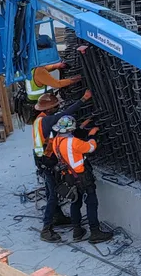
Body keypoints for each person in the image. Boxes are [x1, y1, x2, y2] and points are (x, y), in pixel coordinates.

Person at [33, 89, 92, 242]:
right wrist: (83, 99)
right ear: (48, 109)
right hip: (47, 162)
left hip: (42, 161)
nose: (57, 108)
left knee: (49, 191)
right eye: (55, 106)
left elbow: (57, 131)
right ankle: (46, 229)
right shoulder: (47, 120)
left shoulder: (39, 120)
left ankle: (57, 217)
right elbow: (63, 115)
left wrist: (79, 127)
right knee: (53, 195)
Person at [51, 116, 112, 243]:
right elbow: (90, 147)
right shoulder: (73, 142)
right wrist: (92, 135)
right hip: (81, 176)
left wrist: (82, 125)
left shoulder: (56, 140)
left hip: (68, 177)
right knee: (91, 202)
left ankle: (77, 231)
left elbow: (74, 137)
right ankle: (95, 232)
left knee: (75, 202)